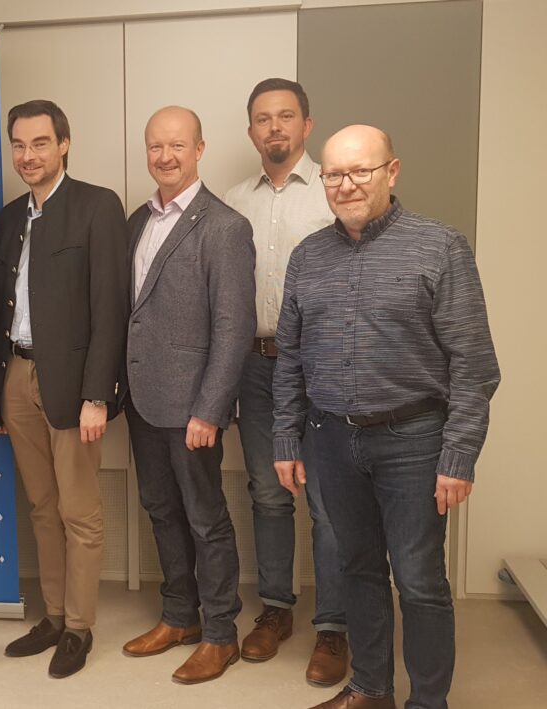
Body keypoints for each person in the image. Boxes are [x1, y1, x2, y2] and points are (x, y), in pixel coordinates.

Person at [273, 125, 500, 709]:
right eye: (334, 174)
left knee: (419, 581)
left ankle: (428, 702)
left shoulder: (440, 247)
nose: (346, 185)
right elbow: (291, 358)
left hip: (415, 441)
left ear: (391, 172)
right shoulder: (307, 257)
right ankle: (371, 690)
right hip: (330, 439)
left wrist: (459, 456)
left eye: (360, 171)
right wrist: (285, 438)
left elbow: (474, 364)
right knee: (357, 568)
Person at [0, 100, 128, 678]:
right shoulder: (9, 217)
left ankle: (78, 627)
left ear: (64, 144)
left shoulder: (97, 205)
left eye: (40, 143)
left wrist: (98, 395)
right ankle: (51, 616)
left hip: (73, 384)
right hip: (17, 375)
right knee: (42, 508)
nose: (28, 156)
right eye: (19, 145)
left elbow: (110, 308)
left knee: (78, 511)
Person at [121, 106, 255, 685]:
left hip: (193, 407)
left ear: (199, 149)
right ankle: (180, 617)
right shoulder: (136, 221)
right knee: (160, 509)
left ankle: (221, 634)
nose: (165, 156)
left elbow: (234, 327)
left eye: (177, 145)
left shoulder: (224, 226)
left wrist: (210, 409)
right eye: (156, 146)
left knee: (205, 518)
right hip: (143, 400)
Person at [222, 78, 347, 684]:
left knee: (327, 501)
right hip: (253, 365)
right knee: (268, 494)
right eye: (263, 118)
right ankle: (275, 608)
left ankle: (334, 627)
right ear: (251, 131)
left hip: (320, 367)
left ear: (307, 125)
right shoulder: (232, 202)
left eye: (286, 116)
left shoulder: (334, 192)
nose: (274, 127)